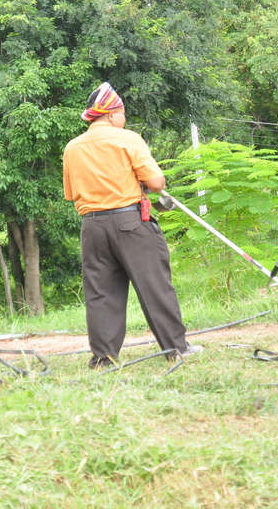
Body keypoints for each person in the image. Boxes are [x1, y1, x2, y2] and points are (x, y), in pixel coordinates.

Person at [62, 82, 202, 367]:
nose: (124, 118)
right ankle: (176, 349)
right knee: (154, 285)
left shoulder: (72, 147)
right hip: (130, 222)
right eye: (123, 113)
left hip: (92, 226)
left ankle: (104, 358)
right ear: (112, 114)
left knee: (101, 293)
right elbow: (157, 183)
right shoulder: (127, 138)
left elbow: (71, 193)